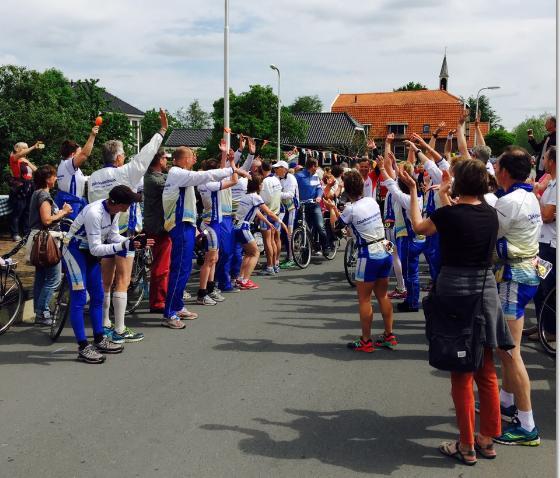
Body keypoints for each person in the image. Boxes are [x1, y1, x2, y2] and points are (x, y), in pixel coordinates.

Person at [401, 159, 514, 464]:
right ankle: (487, 439)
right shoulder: (491, 215)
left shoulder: (447, 215)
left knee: (461, 372)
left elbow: (419, 226)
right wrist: (447, 193)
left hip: (454, 290)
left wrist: (413, 191)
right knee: (487, 371)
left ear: (457, 185)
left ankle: (465, 445)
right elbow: (459, 212)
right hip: (484, 290)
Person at [88, 108, 167, 343]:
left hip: (99, 232)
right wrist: (162, 130)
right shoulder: (125, 173)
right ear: (119, 157)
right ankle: (121, 328)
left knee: (106, 282)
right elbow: (146, 154)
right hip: (123, 233)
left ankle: (104, 324)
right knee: (122, 280)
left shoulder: (93, 176)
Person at [61, 186, 152, 363]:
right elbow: (96, 249)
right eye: (128, 202)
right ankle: (82, 347)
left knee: (99, 295)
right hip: (74, 250)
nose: (130, 206)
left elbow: (113, 236)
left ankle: (99, 339)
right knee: (79, 298)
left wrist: (130, 241)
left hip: (87, 251)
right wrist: (123, 246)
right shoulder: (95, 213)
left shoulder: (114, 211)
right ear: (117, 203)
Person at [162, 144, 247, 328]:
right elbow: (204, 175)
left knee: (184, 270)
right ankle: (170, 312)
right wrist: (232, 167)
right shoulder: (178, 172)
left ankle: (177, 306)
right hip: (180, 226)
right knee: (179, 270)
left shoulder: (181, 175)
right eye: (192, 156)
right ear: (185, 159)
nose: (195, 159)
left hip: (187, 225)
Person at [492, 146, 542, 446]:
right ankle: (507, 401)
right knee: (507, 350)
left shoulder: (508, 202)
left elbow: (490, 233)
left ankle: (527, 425)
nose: (495, 171)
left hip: (513, 276)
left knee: (512, 353)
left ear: (506, 172)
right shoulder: (530, 195)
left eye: (497, 167)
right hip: (528, 272)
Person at [324, 170, 396, 352]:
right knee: (383, 295)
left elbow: (335, 228)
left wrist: (332, 208)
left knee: (364, 299)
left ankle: (366, 341)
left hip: (368, 253)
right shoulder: (372, 201)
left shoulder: (350, 209)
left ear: (347, 191)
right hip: (385, 248)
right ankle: (389, 335)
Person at [27, 165, 73, 326]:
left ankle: (39, 311)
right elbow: (46, 220)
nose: (56, 179)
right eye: (54, 176)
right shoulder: (44, 196)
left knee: (41, 276)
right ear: (47, 179)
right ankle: (43, 312)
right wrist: (63, 212)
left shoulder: (36, 194)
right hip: (46, 241)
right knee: (53, 279)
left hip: (38, 239)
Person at [196, 149, 241, 305]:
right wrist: (232, 162)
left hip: (211, 221)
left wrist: (224, 156)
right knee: (210, 260)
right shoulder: (211, 184)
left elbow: (223, 172)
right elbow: (234, 179)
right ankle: (203, 292)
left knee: (213, 259)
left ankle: (210, 288)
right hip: (211, 223)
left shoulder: (204, 182)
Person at [234, 175, 287, 290]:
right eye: (261, 183)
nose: (262, 185)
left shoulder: (246, 196)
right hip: (244, 228)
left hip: (237, 227)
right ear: (258, 185)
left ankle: (240, 278)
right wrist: (281, 223)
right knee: (256, 253)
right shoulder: (256, 197)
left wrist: (268, 223)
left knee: (249, 253)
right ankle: (245, 280)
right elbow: (269, 212)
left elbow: (257, 212)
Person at [531, 146, 556, 341]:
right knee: (540, 287)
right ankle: (541, 325)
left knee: (547, 288)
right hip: (543, 243)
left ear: (553, 162)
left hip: (550, 245)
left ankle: (550, 331)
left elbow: (547, 216)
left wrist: (536, 198)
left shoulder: (556, 186)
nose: (543, 161)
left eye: (546, 158)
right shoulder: (552, 183)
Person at [143, 149, 170, 314]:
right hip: (158, 227)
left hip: (155, 225)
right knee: (161, 266)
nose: (167, 161)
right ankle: (158, 301)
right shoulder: (155, 180)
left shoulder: (151, 176)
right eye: (166, 158)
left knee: (162, 264)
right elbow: (175, 182)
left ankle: (160, 298)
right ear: (159, 160)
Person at [54, 126, 99, 220]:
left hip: (68, 203)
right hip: (71, 206)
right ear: (73, 155)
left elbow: (78, 180)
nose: (80, 154)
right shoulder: (69, 164)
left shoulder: (63, 166)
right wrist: (92, 135)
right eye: (79, 152)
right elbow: (85, 155)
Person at [295, 157, 331, 255]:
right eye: (316, 166)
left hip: (314, 205)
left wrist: (319, 196)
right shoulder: (298, 176)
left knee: (320, 226)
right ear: (313, 166)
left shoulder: (315, 175)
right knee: (305, 228)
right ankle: (308, 249)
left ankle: (325, 246)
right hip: (302, 206)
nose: (317, 168)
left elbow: (319, 188)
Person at [8, 141, 40, 241]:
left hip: (29, 186)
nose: (26, 150)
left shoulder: (25, 160)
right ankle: (15, 233)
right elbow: (19, 155)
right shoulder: (14, 157)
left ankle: (26, 232)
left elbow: (36, 171)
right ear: (17, 148)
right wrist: (33, 147)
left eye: (27, 148)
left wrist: (28, 163)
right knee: (18, 210)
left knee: (27, 210)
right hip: (19, 187)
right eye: (24, 148)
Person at [259, 161, 283, 275]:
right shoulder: (276, 179)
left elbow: (265, 200)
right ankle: (274, 264)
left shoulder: (266, 181)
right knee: (273, 240)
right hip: (276, 213)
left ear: (262, 169)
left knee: (268, 241)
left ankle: (269, 266)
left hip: (267, 214)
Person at [275, 160, 299, 269]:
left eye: (277, 168)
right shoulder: (277, 177)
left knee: (289, 232)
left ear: (284, 169)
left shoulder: (291, 178)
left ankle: (291, 259)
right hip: (282, 208)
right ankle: (288, 257)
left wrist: (276, 194)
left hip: (291, 208)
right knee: (283, 233)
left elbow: (290, 194)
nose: (275, 170)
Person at [528, 116, 556, 180]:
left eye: (546, 122)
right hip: (540, 168)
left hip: (550, 169)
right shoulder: (546, 137)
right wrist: (531, 139)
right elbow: (537, 148)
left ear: (552, 124)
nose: (545, 124)